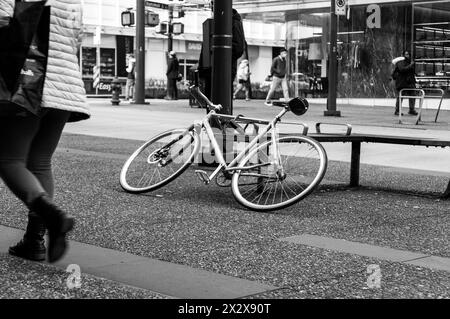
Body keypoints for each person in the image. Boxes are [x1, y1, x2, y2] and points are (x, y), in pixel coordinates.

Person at [0, 0, 90, 263]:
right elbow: (77, 38)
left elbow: (5, 24)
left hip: (27, 83)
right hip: (65, 87)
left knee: (8, 159)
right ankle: (34, 240)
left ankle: (51, 215)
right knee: (39, 162)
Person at [393, 50, 418, 116]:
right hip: (402, 82)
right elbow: (402, 69)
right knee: (400, 97)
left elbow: (411, 72)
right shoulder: (400, 62)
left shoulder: (409, 62)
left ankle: (411, 110)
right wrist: (411, 65)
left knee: (413, 95)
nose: (407, 56)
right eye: (406, 54)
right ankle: (397, 110)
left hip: (410, 82)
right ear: (403, 55)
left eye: (408, 54)